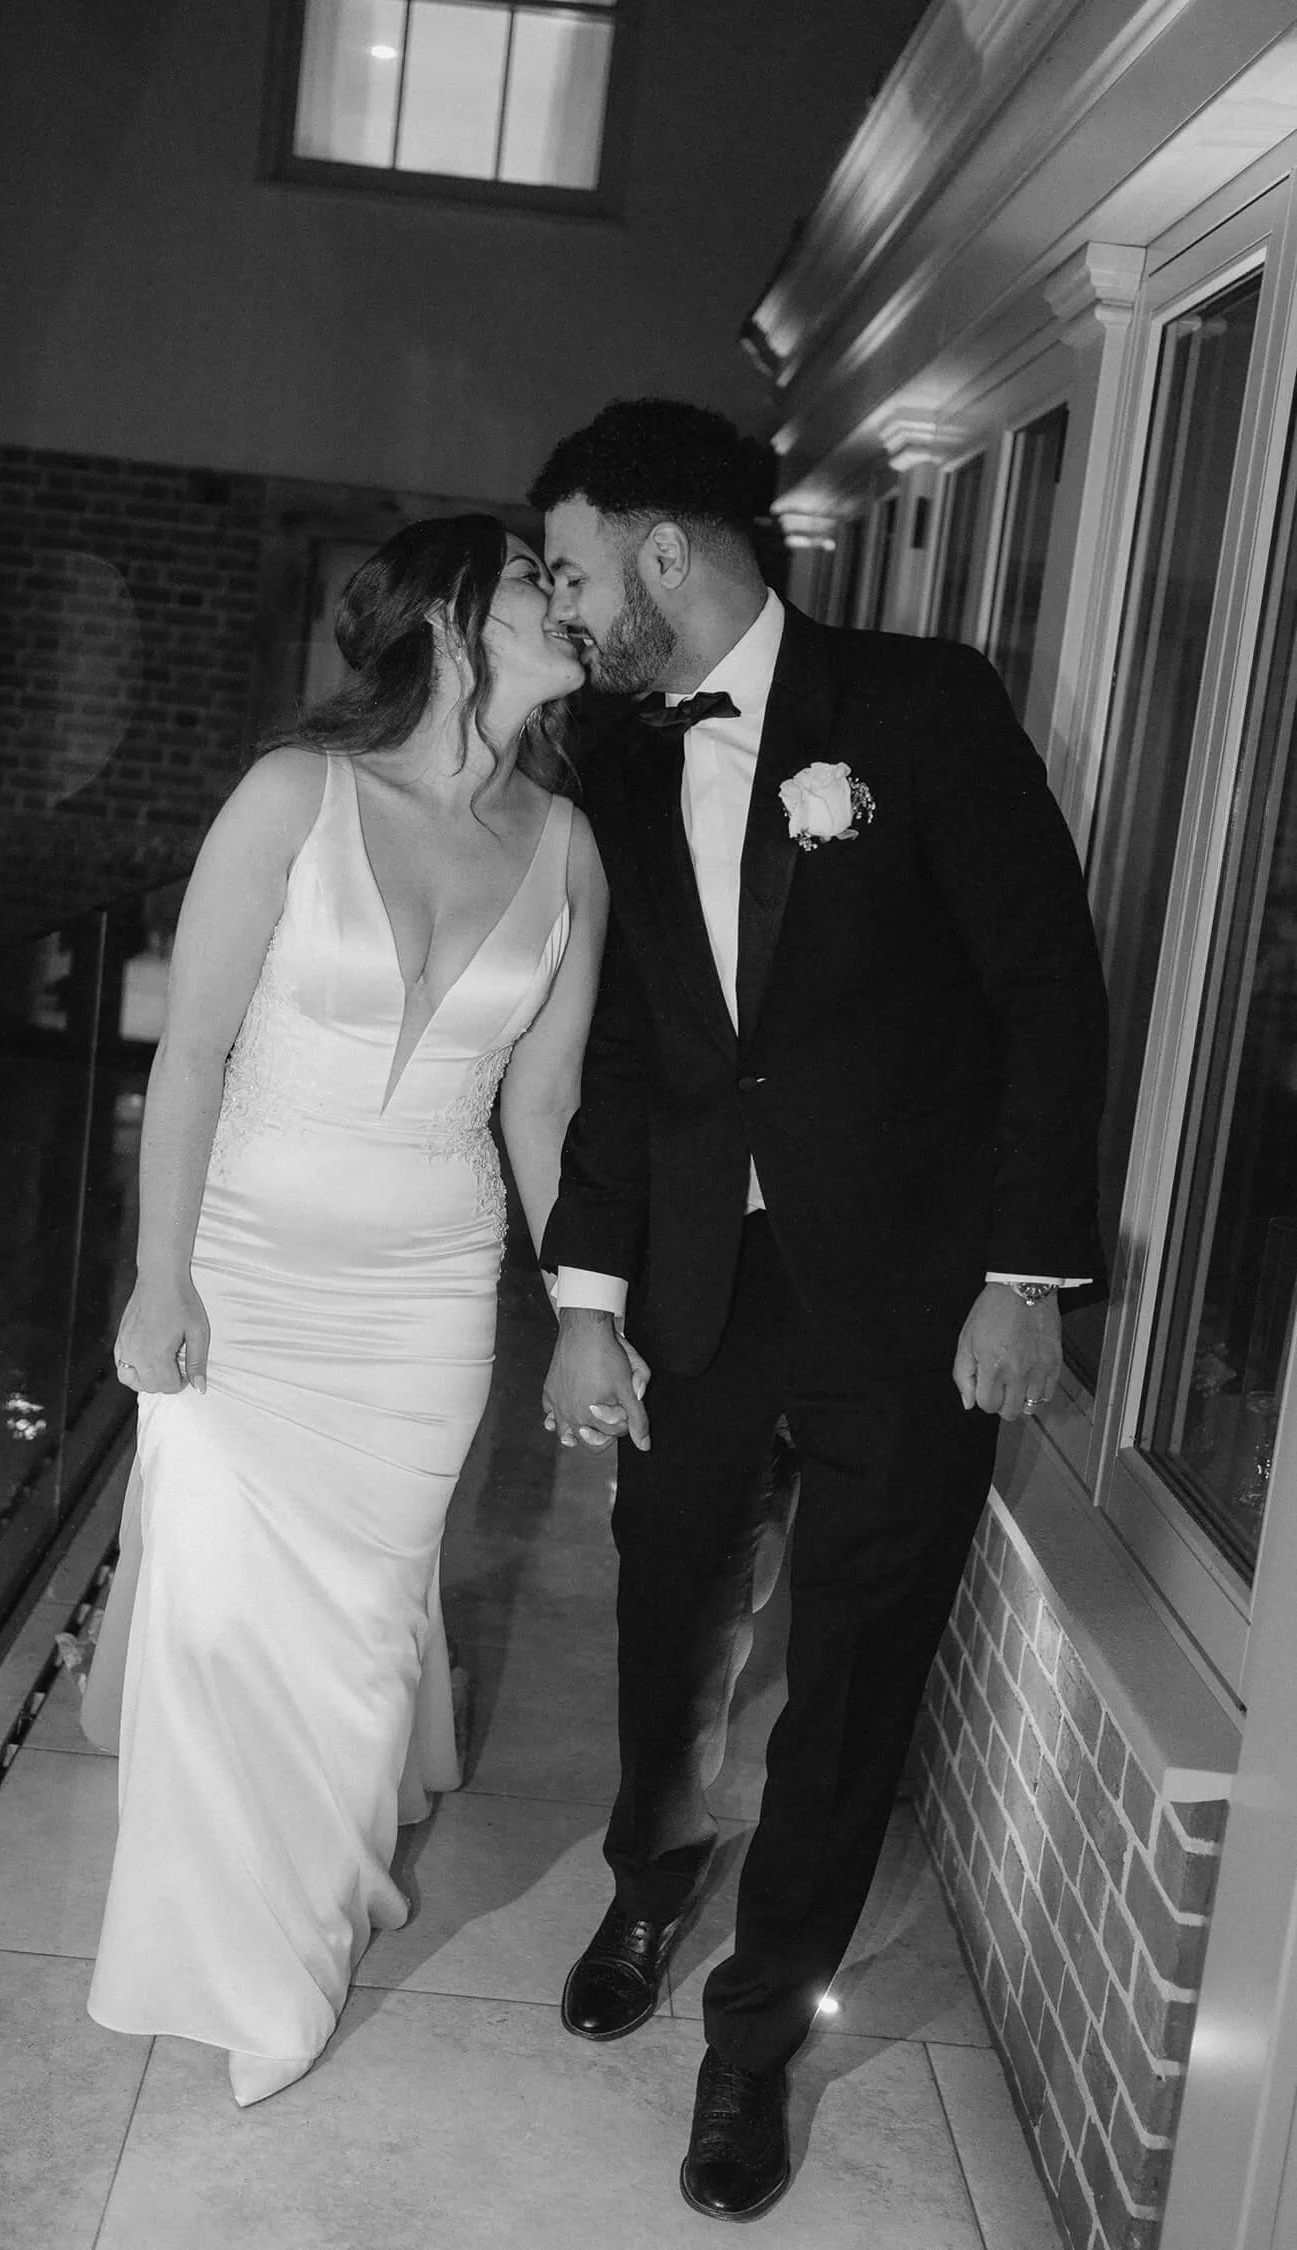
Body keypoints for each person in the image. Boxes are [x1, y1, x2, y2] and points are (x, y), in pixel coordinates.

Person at [530, 399, 1107, 2222]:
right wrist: (590, 1299)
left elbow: (1049, 992)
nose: (563, 604)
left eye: (571, 564)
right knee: (667, 1600)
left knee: (854, 1675)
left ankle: (756, 2027)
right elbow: (632, 1055)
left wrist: (1028, 1276)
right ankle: (649, 1869)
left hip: (918, 1299)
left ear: (667, 552)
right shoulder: (623, 764)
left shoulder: (923, 707)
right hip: (703, 1283)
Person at [83, 515, 607, 2106]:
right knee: (225, 1614)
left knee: (363, 1631)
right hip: (248, 1264)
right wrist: (161, 1269)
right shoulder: (292, 796)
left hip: (425, 1302)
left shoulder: (568, 843)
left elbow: (548, 1115)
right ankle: (234, 1942)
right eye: (537, 579)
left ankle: (298, 1929)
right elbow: (190, 1051)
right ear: (458, 619)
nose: (566, 600)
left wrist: (587, 1301)